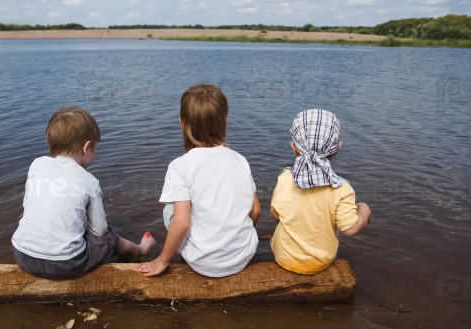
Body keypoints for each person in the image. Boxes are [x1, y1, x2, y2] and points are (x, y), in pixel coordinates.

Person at [11, 106, 156, 280]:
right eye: (95, 148)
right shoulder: (88, 181)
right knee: (108, 237)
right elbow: (99, 230)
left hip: (22, 255)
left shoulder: (37, 164)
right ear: (86, 148)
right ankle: (141, 249)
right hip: (65, 264)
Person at [137, 84, 261, 278]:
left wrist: (162, 259)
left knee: (170, 209)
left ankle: (180, 252)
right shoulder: (240, 160)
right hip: (243, 256)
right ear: (225, 122)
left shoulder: (180, 166)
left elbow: (182, 222)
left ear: (181, 123)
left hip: (204, 263)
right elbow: (255, 210)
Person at [270, 109, 371, 275]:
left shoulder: (285, 179)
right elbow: (350, 229)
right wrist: (364, 208)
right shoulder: (341, 188)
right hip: (321, 262)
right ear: (337, 148)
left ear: (293, 147)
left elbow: (275, 215)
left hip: (283, 257)